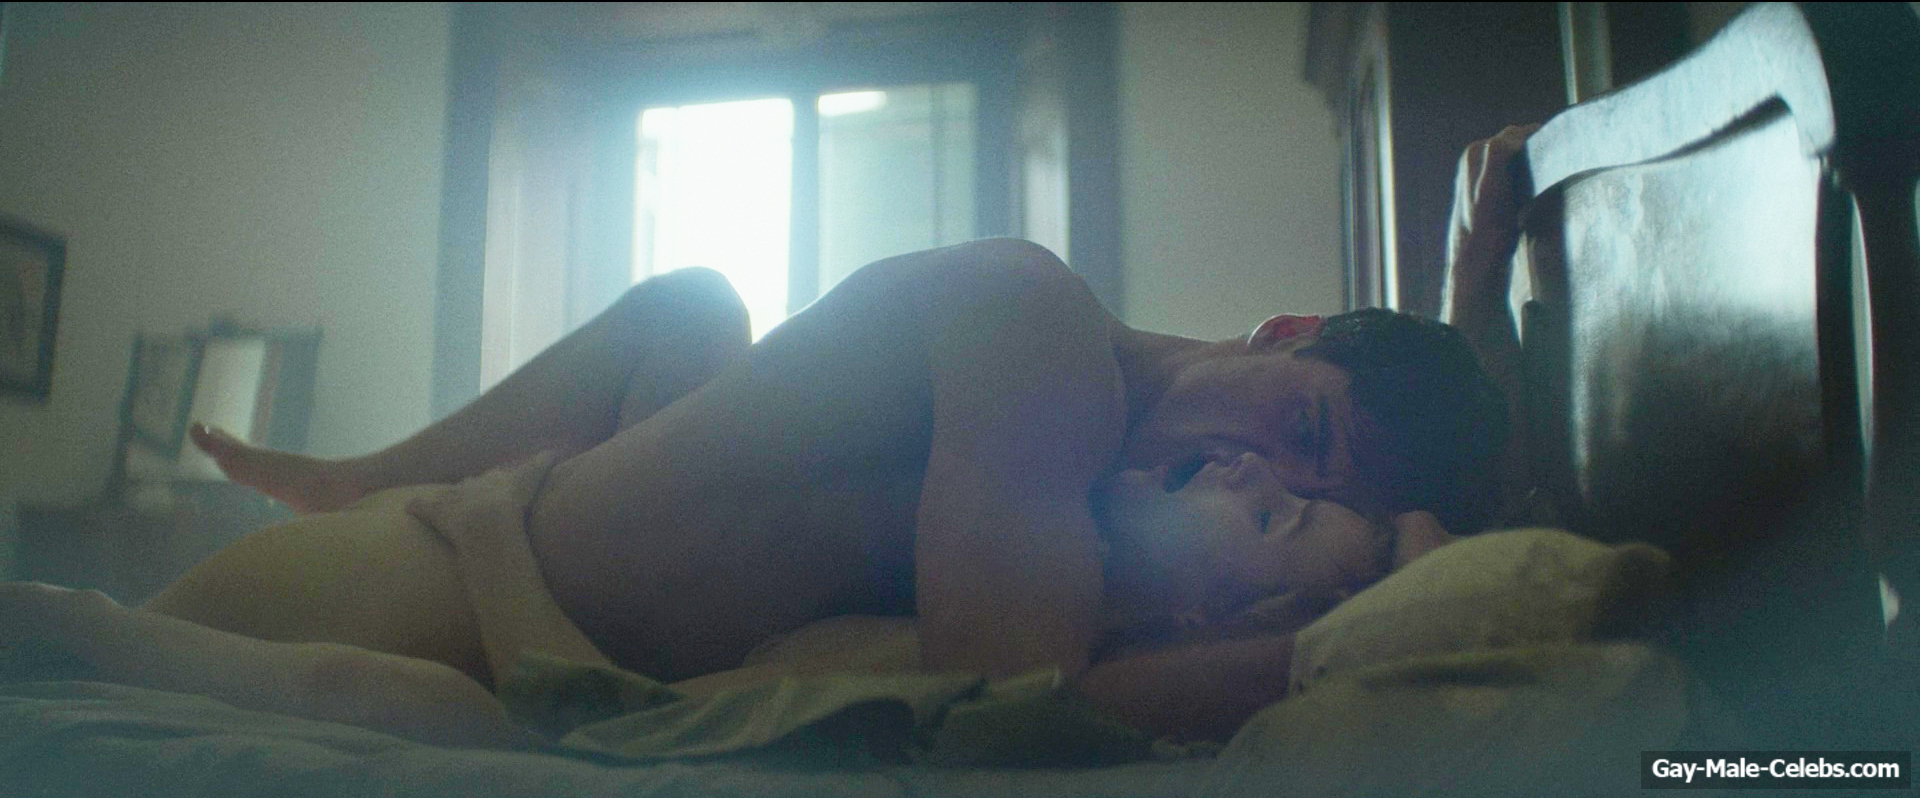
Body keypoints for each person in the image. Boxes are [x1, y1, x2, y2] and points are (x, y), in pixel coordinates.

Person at [0, 127, 1531, 747]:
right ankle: (356, 485)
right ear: (1278, 331)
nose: (1266, 475)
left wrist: (1475, 303)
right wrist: (1328, 645)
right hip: (418, 593)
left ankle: (369, 480)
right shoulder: (1044, 342)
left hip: (513, 605)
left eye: (1320, 495)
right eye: (1302, 422)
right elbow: (1003, 714)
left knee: (693, 319)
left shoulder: (1109, 485)